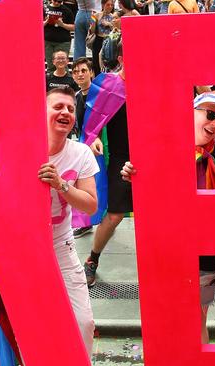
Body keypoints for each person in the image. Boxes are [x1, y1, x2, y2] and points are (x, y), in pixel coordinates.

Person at [0, 86, 98, 355]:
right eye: (58, 106)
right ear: (42, 113)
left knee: (83, 323)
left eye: (70, 109)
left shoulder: (80, 152)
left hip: (61, 248)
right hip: (22, 252)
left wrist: (61, 185)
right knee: (28, 330)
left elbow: (91, 205)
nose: (65, 113)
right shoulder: (15, 151)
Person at [120, 92, 215, 344]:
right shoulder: (163, 148)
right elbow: (143, 201)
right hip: (166, 252)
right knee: (167, 317)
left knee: (198, 318)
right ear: (190, 113)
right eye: (210, 115)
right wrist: (132, 177)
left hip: (205, 257)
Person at [84, 37, 131, 287]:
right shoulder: (108, 84)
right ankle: (92, 258)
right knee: (114, 215)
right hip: (120, 157)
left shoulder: (155, 83)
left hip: (152, 158)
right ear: (121, 59)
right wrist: (93, 140)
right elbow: (91, 123)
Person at [44, 0, 74, 73]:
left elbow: (73, 27)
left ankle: (66, 82)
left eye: (59, 1)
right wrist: (47, 21)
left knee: (62, 65)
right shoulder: (45, 9)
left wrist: (62, 24)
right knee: (50, 64)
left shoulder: (67, 10)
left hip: (63, 41)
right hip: (48, 41)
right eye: (55, 1)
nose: (57, 3)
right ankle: (50, 81)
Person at [88, 0, 113, 76]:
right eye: (108, 5)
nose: (110, 7)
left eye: (111, 5)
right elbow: (92, 31)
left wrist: (109, 24)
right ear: (103, 5)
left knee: (108, 62)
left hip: (109, 41)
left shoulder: (113, 16)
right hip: (98, 40)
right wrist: (93, 23)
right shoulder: (96, 15)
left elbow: (116, 30)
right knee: (96, 63)